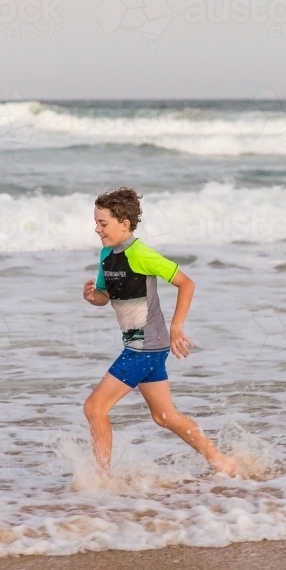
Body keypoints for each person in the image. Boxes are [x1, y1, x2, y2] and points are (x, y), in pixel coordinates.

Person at [82, 187, 239, 476]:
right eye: (96, 222)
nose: (97, 229)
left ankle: (100, 480)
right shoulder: (107, 255)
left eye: (102, 223)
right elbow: (105, 297)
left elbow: (186, 283)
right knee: (164, 416)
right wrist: (94, 297)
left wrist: (176, 327)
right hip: (143, 345)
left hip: (146, 345)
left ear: (124, 224)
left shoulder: (140, 253)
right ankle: (221, 461)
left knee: (94, 408)